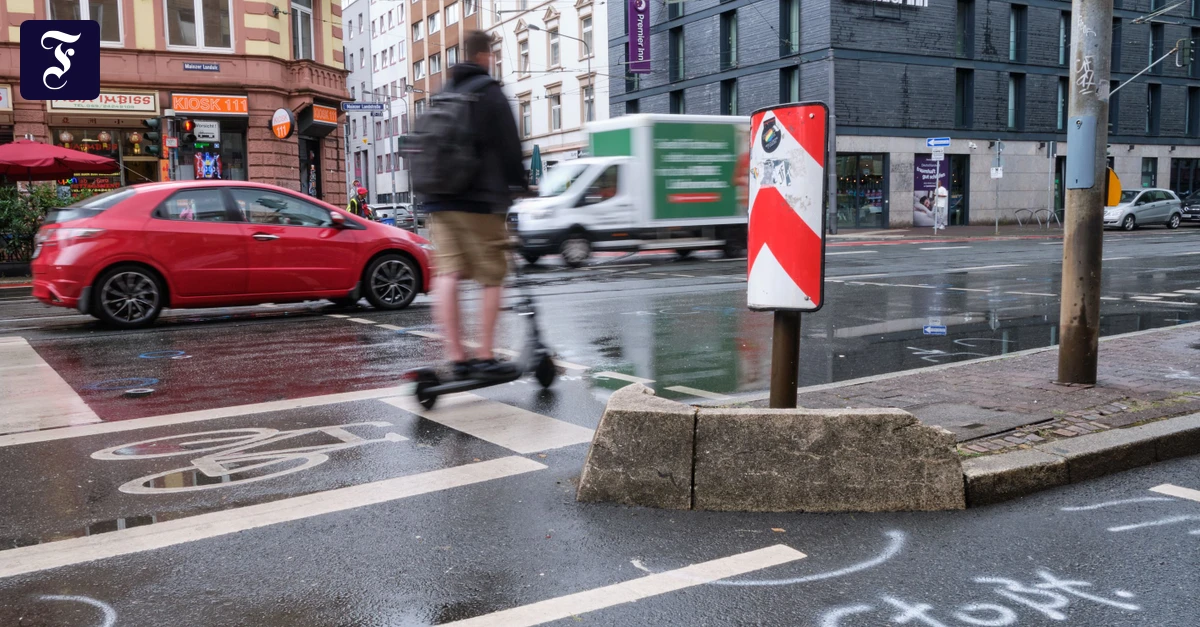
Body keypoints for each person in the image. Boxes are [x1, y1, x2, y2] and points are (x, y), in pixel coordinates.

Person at [423, 30, 528, 381]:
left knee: (448, 274)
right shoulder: (489, 92)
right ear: (486, 55)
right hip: (479, 199)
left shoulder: (442, 93)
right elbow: (510, 147)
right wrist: (521, 187)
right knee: (491, 274)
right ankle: (483, 355)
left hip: (438, 199)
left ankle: (456, 357)